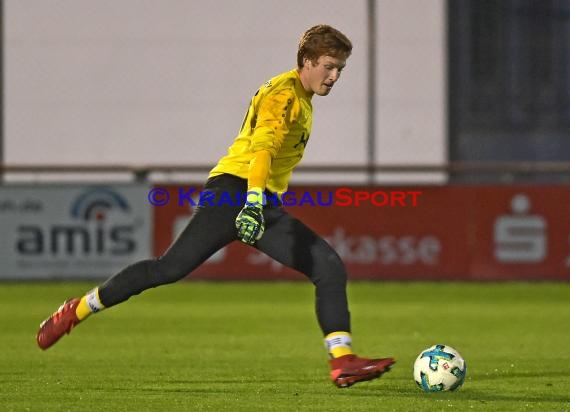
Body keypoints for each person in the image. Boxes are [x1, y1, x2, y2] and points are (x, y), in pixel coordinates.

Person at [36, 24, 395, 388]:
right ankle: (77, 309)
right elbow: (262, 151)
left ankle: (343, 361)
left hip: (257, 198)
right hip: (235, 194)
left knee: (328, 267)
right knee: (168, 269)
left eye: (341, 70)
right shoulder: (284, 96)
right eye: (329, 66)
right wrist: (252, 203)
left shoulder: (300, 97)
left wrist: (259, 201)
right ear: (306, 61)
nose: (334, 76)